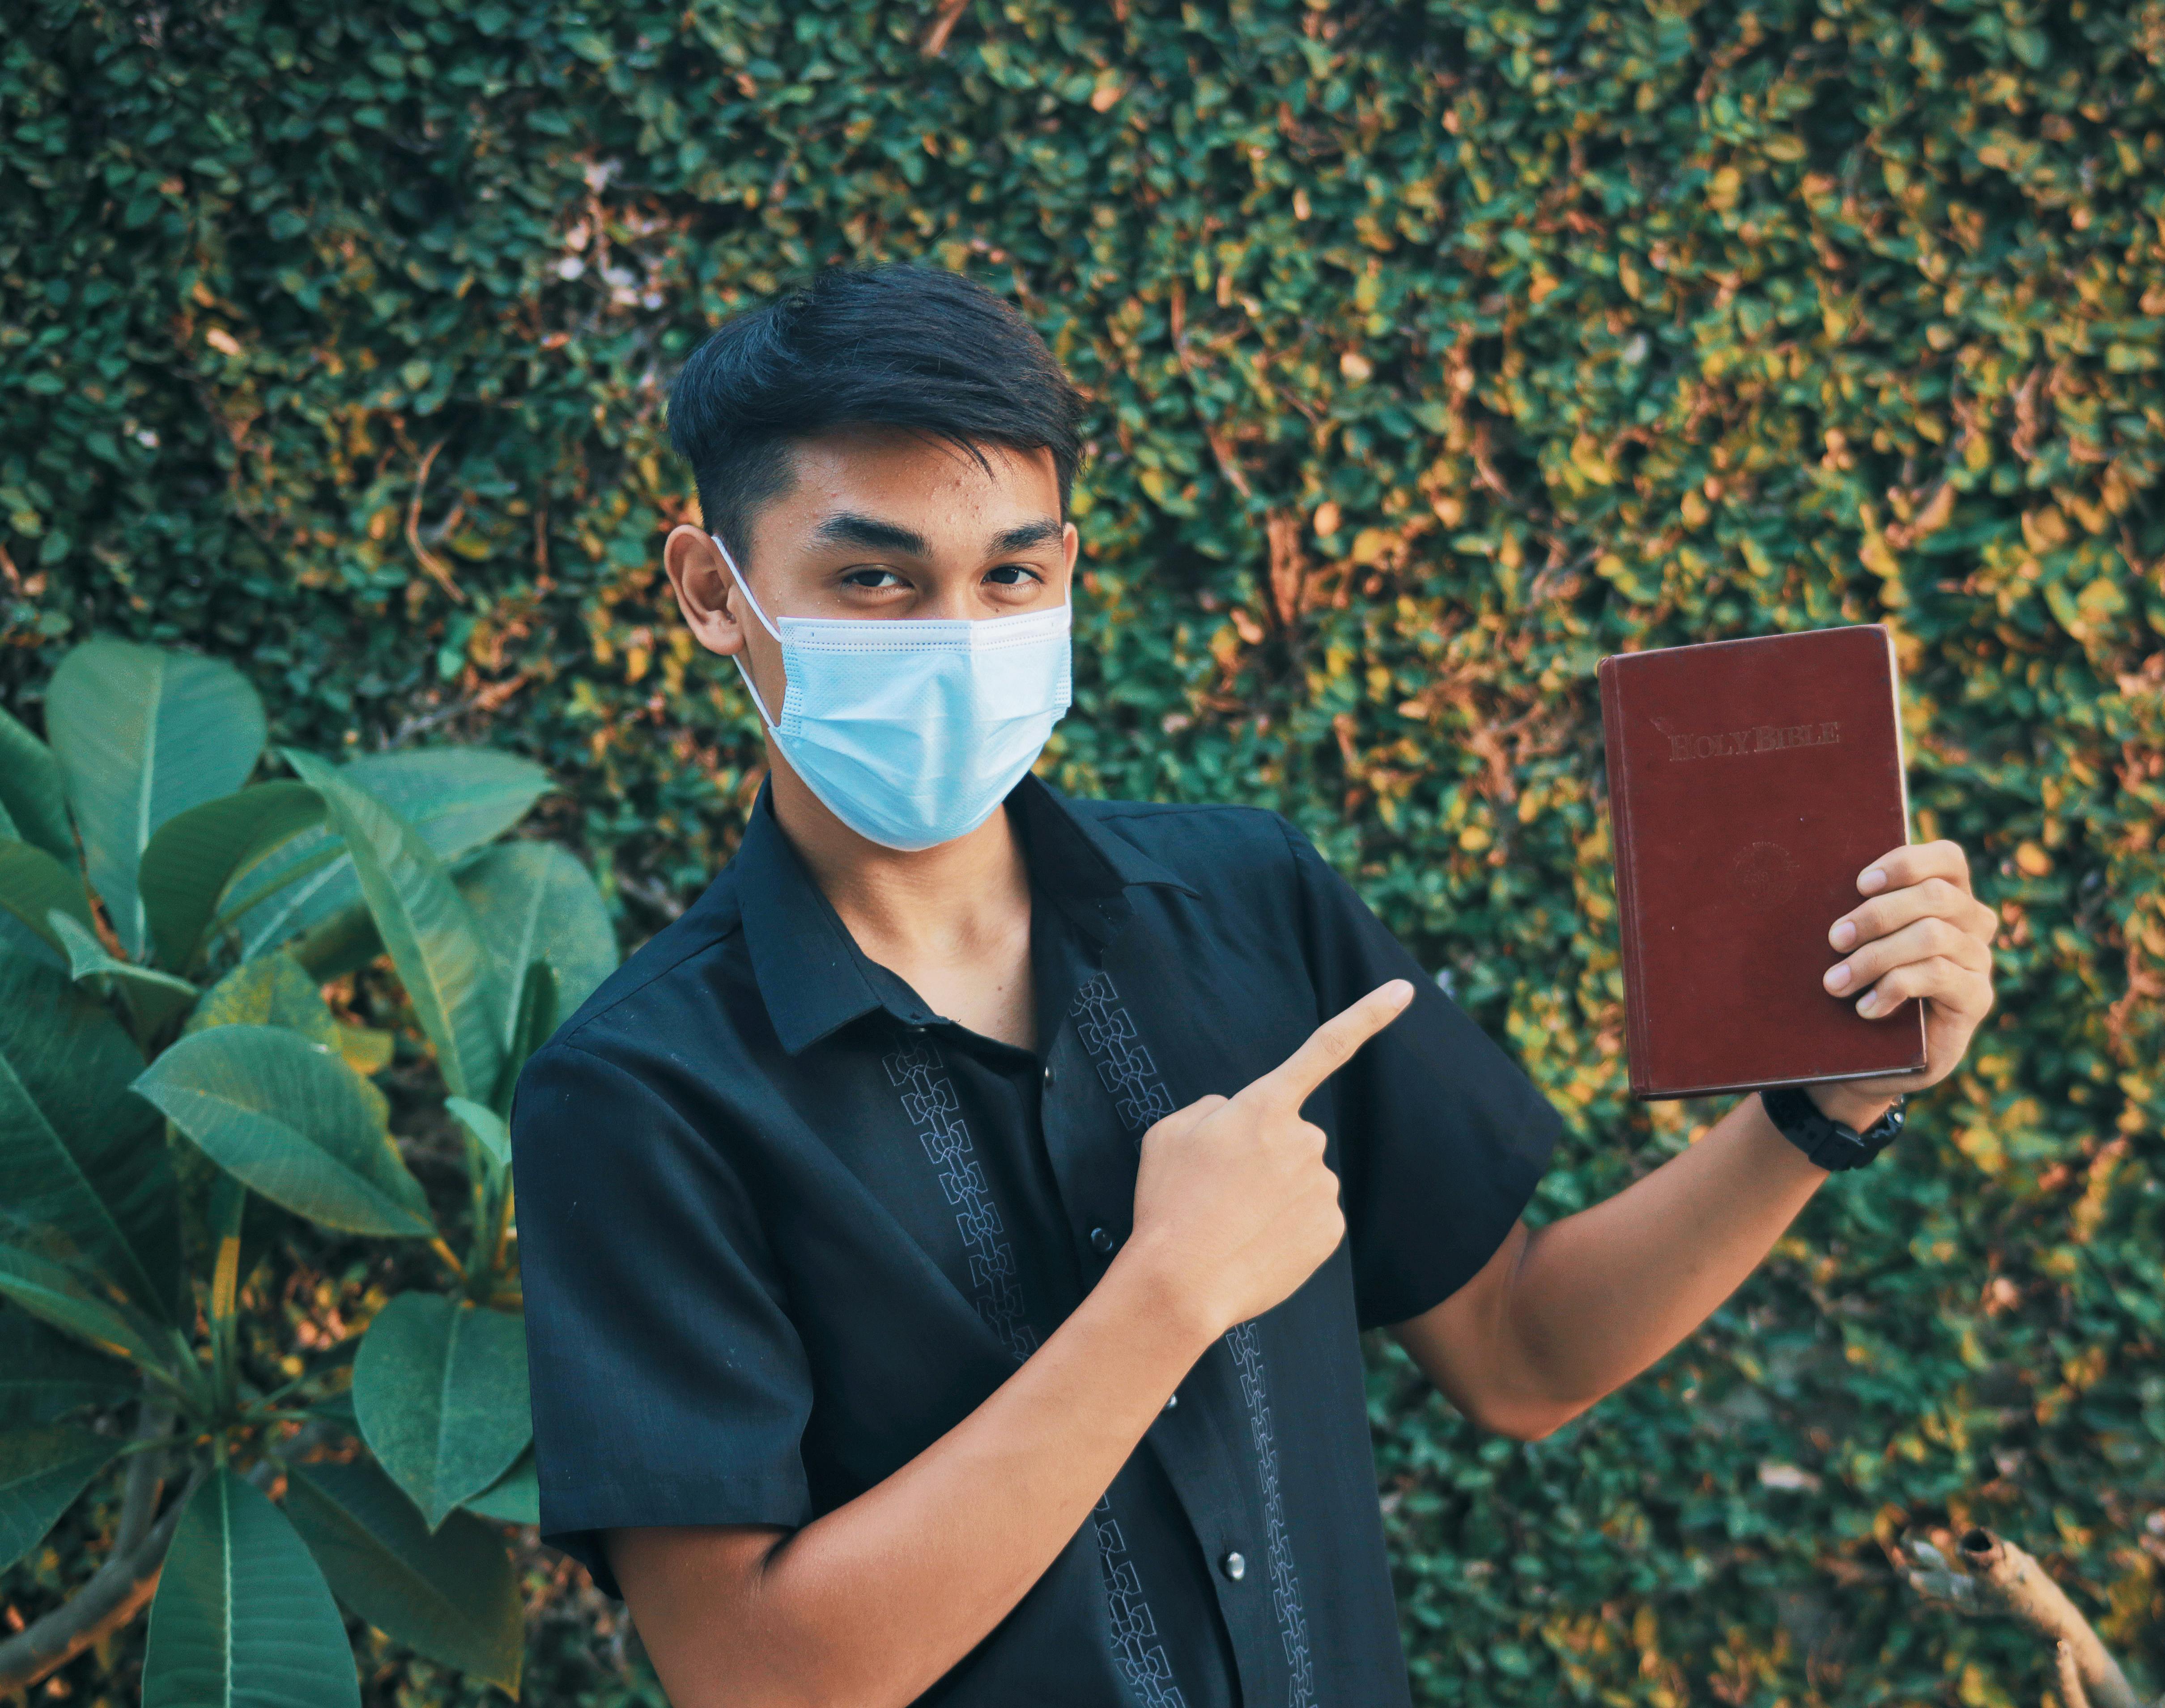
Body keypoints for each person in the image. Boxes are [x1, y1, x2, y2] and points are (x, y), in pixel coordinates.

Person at [507, 262, 1999, 1708]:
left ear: (1069, 573)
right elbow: (758, 1680)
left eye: (1009, 572)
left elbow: (1524, 1351)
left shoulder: (1245, 902)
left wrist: (1822, 1104)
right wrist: (1164, 1294)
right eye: (876, 578)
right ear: (714, 587)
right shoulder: (640, 1093)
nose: (958, 641)